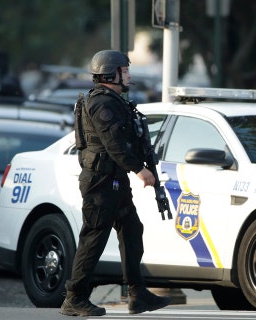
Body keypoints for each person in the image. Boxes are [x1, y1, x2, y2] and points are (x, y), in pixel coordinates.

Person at [60, 50, 171, 317]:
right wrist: (139, 170)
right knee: (94, 237)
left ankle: (137, 294)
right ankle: (74, 298)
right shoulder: (102, 104)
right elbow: (114, 144)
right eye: (125, 70)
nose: (129, 75)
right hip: (100, 182)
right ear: (112, 73)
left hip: (114, 181)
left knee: (132, 231)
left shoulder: (115, 101)